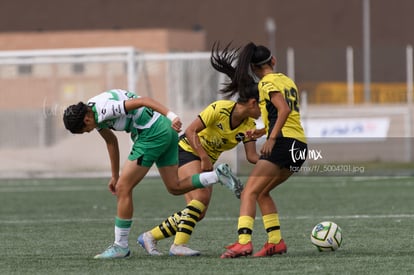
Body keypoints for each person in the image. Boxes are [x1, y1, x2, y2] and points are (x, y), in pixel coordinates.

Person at [62, 88, 243, 259]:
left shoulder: (103, 110)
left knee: (124, 188)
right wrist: (114, 175)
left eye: (85, 130)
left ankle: (121, 245)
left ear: (86, 120)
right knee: (175, 186)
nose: (87, 131)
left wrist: (172, 116)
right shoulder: (93, 111)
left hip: (152, 133)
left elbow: (144, 101)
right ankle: (217, 176)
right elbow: (111, 141)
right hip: (166, 130)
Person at [137, 42, 265, 256]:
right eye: (263, 105)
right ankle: (178, 246)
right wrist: (205, 158)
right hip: (185, 151)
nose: (264, 110)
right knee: (202, 198)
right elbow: (190, 131)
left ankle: (150, 236)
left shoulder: (249, 126)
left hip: (204, 161)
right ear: (252, 103)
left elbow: (252, 157)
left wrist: (274, 161)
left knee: (200, 211)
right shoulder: (220, 108)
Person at [217, 42, 308, 258]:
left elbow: (283, 110)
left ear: (254, 69)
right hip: (299, 146)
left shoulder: (265, 84)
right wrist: (261, 132)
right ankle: (275, 242)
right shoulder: (286, 80)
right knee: (262, 192)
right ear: (273, 61)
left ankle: (243, 242)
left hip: (283, 143)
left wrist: (272, 137)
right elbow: (283, 114)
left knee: (249, 191)